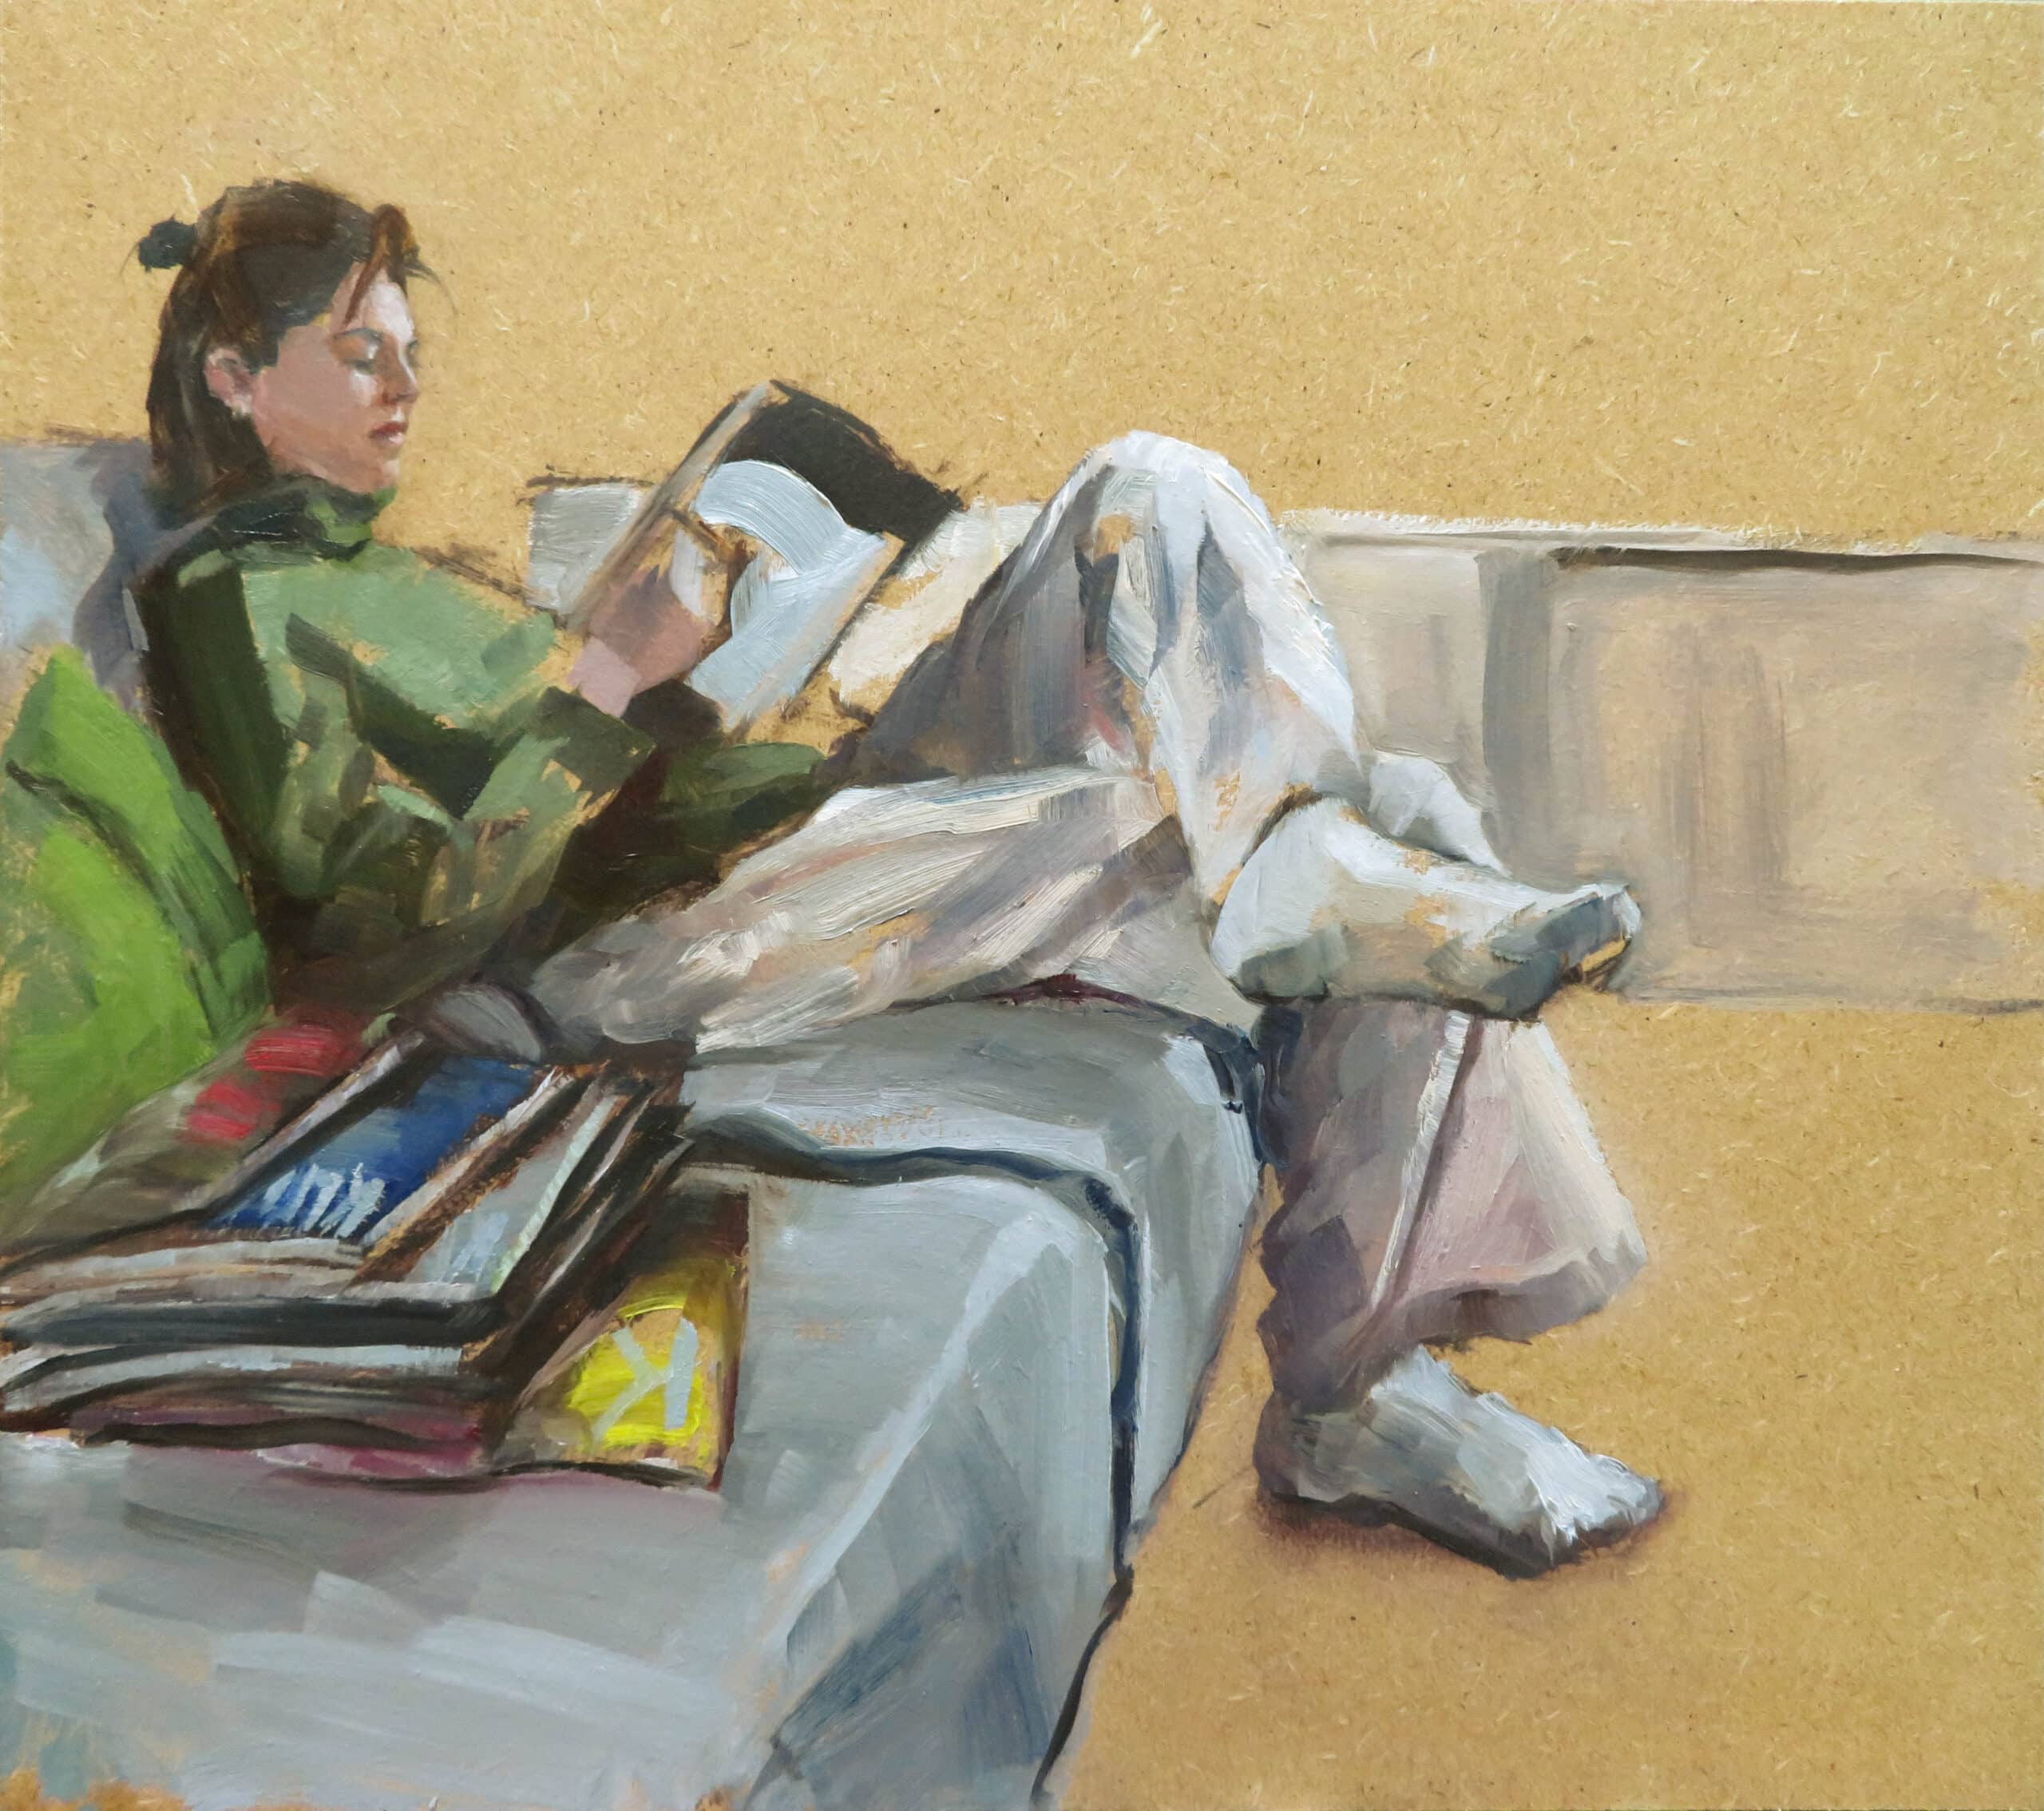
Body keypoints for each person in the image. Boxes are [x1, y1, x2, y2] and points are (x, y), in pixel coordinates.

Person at [16, 179, 1662, 1576]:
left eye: (410, 355)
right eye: (360, 353)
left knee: (1153, 495)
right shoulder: (237, 609)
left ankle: (1302, 917)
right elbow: (387, 924)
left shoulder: (385, 575)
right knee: (1275, 825)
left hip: (756, 843)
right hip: (607, 957)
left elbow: (597, 757)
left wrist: (720, 673)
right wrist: (611, 683)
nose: (401, 389)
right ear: (236, 378)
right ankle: (1354, 1391)